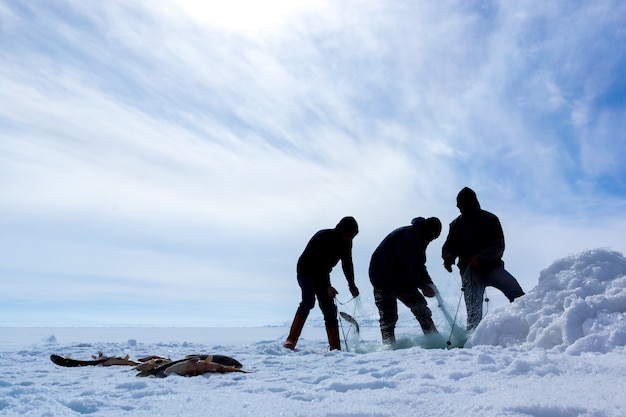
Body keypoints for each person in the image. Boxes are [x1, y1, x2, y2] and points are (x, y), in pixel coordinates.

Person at [442, 187, 525, 331]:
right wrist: (448, 258)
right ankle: (473, 339)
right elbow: (450, 245)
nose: (461, 209)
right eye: (459, 206)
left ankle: (527, 321)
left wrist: (480, 258)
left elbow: (498, 245)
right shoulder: (455, 225)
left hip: (492, 268)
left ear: (473, 203)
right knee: (473, 313)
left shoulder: (490, 219)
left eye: (464, 205)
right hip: (469, 274)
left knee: (516, 293)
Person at [283, 216, 360, 351]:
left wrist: (351, 285)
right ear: (341, 230)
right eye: (348, 235)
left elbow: (347, 264)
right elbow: (316, 264)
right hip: (306, 271)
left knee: (329, 308)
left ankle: (335, 347)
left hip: (323, 274)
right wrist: (326, 287)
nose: (349, 239)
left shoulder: (346, 243)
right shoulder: (323, 237)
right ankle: (291, 340)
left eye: (352, 237)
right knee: (308, 301)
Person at [369, 217, 442, 345]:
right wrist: (423, 286)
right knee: (389, 316)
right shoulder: (407, 237)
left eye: (434, 238)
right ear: (426, 229)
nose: (431, 240)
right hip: (383, 276)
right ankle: (388, 347)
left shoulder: (421, 239)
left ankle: (435, 341)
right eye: (432, 236)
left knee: (421, 308)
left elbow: (419, 266)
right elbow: (404, 267)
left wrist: (430, 284)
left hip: (400, 277)